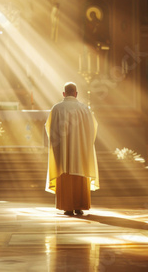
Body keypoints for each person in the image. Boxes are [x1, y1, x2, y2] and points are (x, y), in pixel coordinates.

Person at [45, 82, 99, 216]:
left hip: (63, 151)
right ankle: (79, 207)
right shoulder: (85, 109)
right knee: (80, 171)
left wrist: (58, 146)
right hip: (80, 152)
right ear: (76, 94)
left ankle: (67, 207)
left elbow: (50, 129)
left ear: (64, 93)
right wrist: (84, 144)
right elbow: (93, 128)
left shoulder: (57, 109)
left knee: (65, 171)